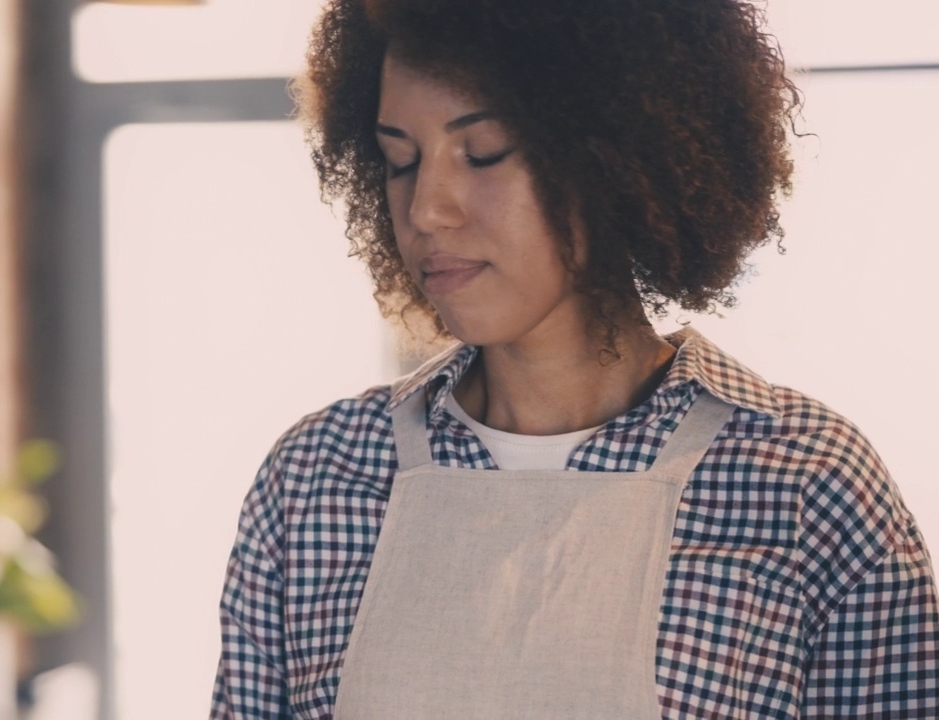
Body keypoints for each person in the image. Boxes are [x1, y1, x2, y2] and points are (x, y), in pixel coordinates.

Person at [211, 0, 939, 717]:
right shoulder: (315, 477)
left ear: (615, 157)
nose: (428, 208)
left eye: (485, 151)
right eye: (400, 160)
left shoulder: (803, 482)